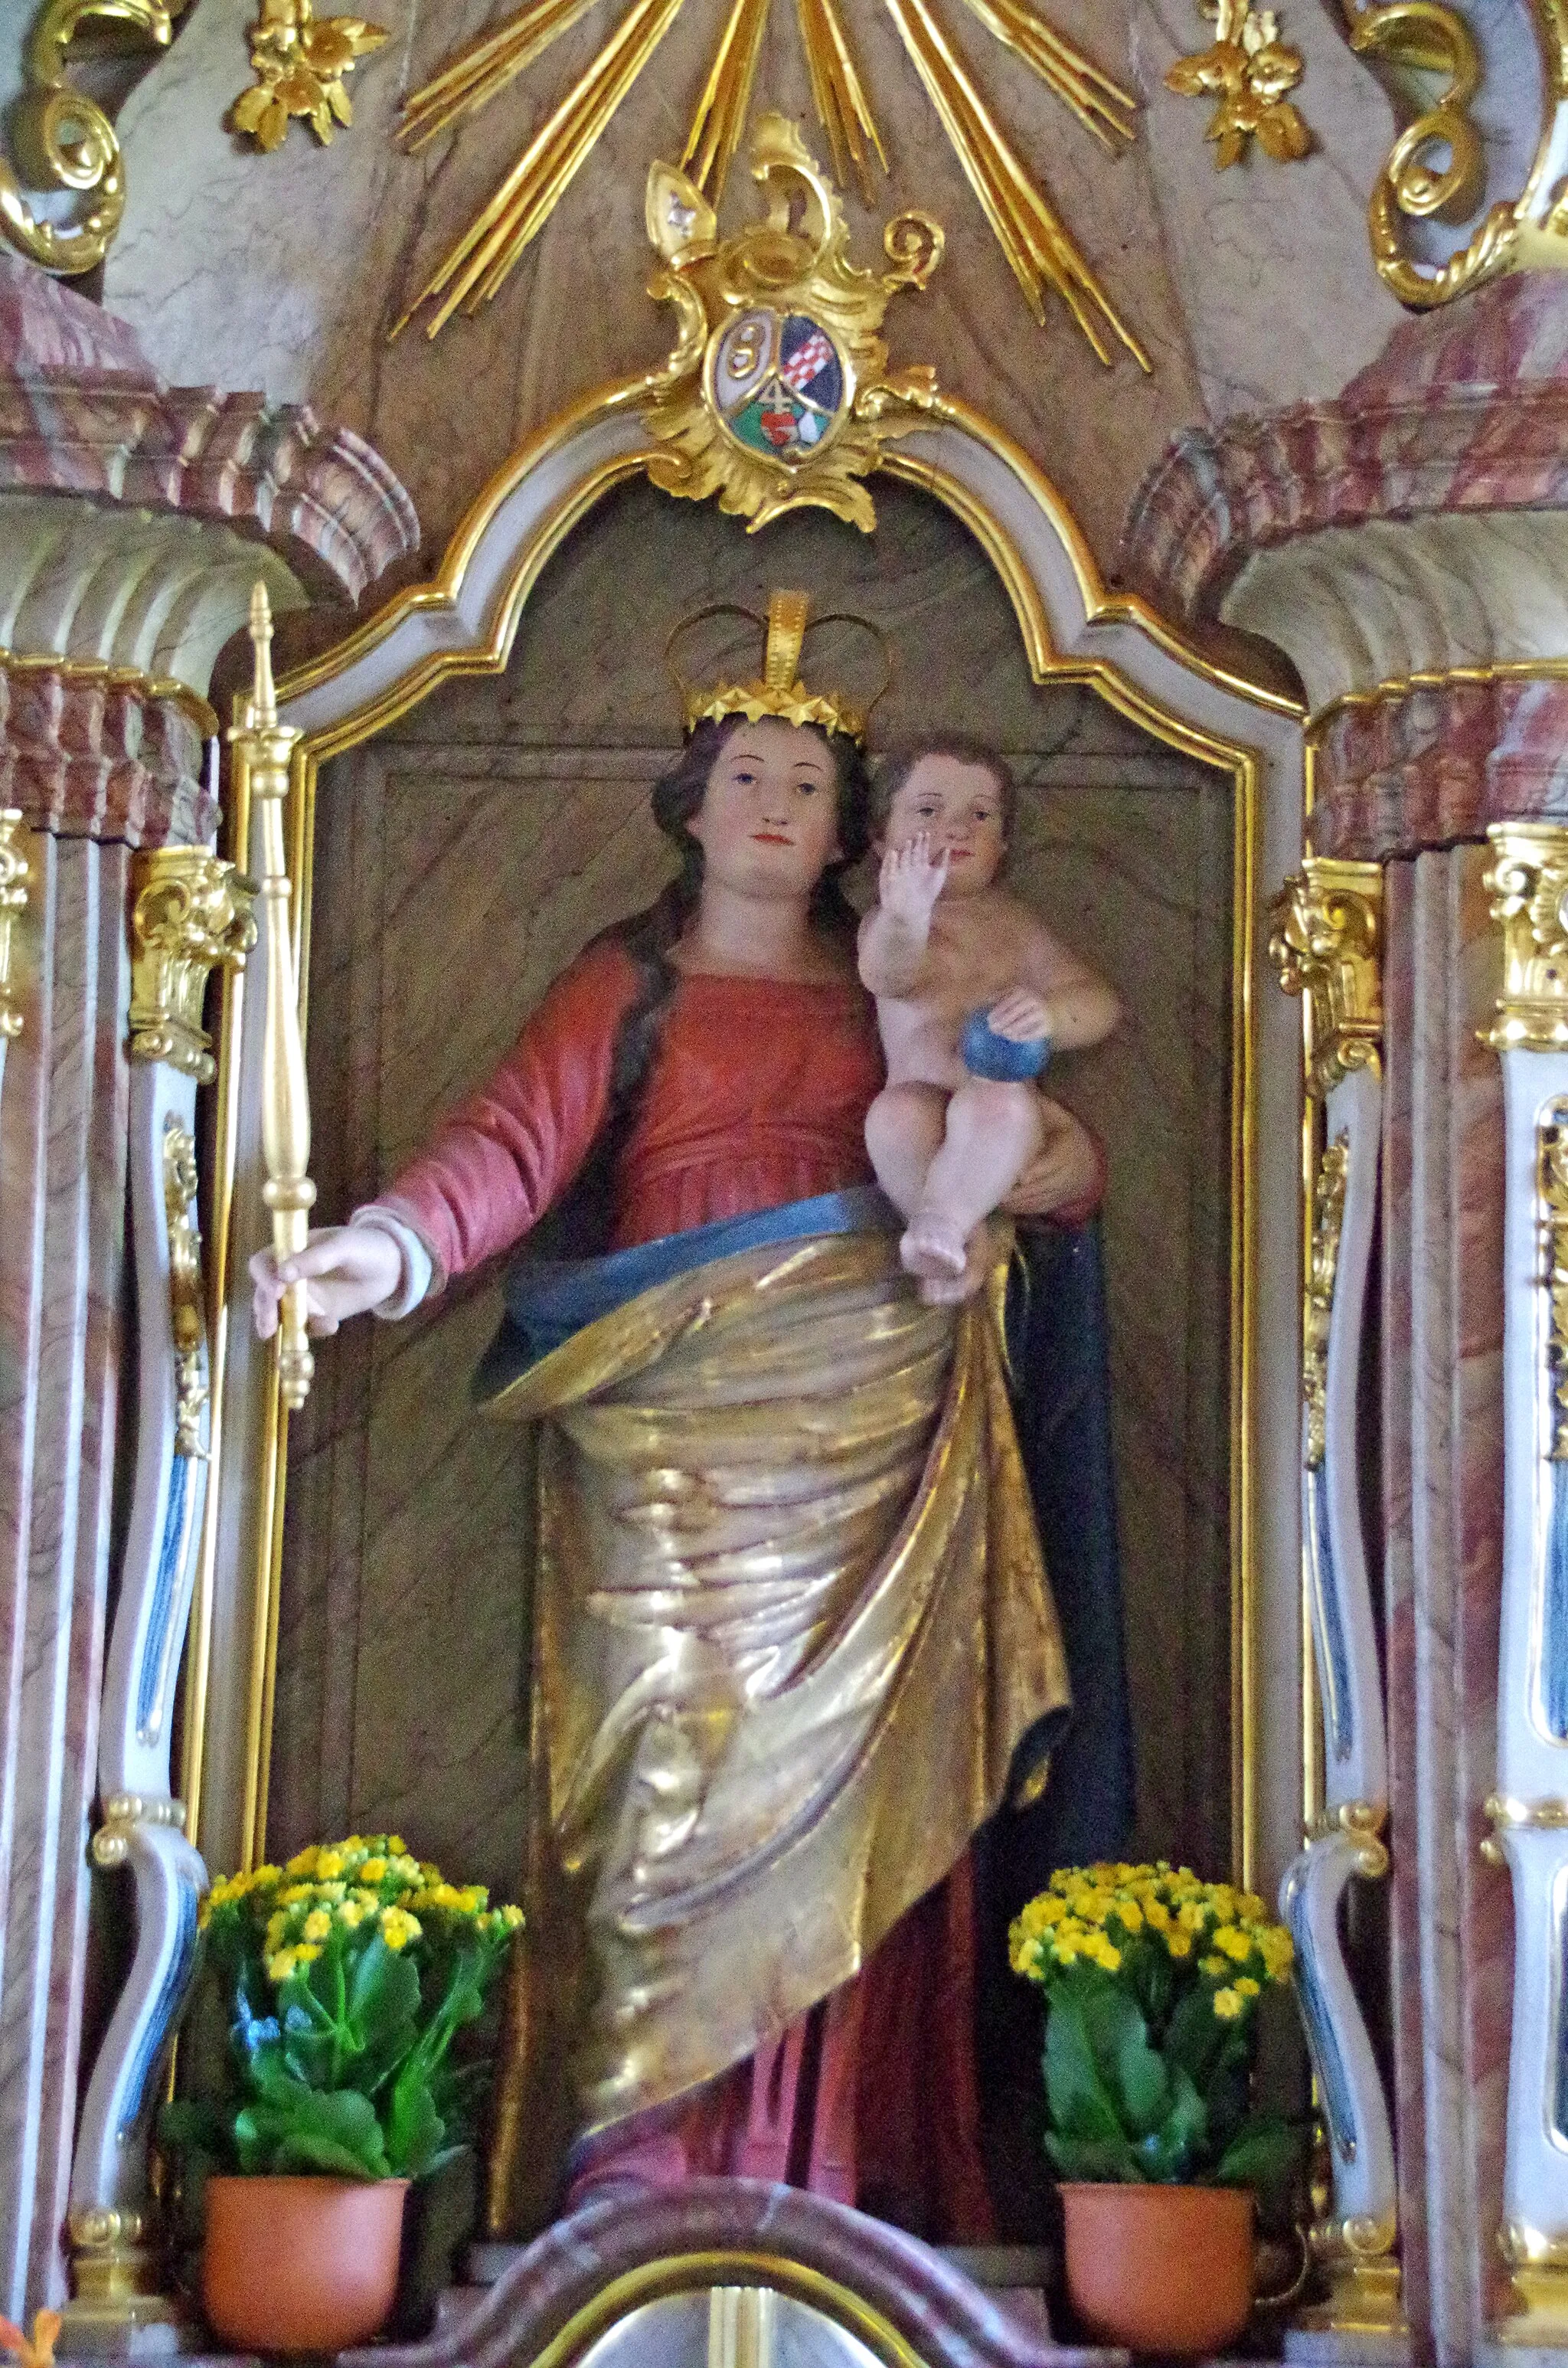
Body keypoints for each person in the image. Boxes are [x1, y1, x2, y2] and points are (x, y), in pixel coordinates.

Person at [250, 595, 1106, 2240]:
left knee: (861, 1790)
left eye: (807, 785)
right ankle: (644, 2164)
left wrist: (1045, 1171)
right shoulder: (624, 988)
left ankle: (854, 2167)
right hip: (665, 1429)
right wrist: (390, 1243)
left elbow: (1027, 1144)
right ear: (693, 805)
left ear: (854, 829)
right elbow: (511, 1142)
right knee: (659, 1768)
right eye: (747, 777)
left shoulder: (894, 993)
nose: (777, 807)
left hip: (875, 1414)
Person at [859, 738, 1120, 1302]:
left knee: (997, 1108)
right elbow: (886, 975)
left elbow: (1099, 1003)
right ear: (882, 841)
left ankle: (951, 1226)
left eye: (980, 815)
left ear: (1002, 844)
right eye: (928, 811)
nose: (956, 828)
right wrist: (905, 915)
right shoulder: (891, 924)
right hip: (920, 1096)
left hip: (996, 1095)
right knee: (892, 1118)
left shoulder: (1015, 926)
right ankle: (942, 1233)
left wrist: (1051, 1015)